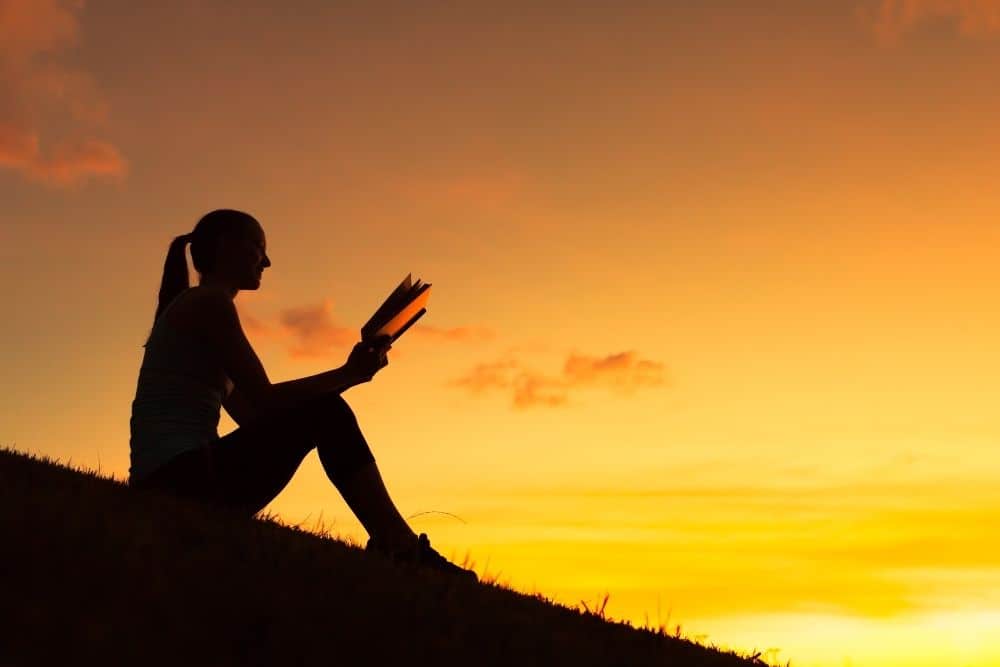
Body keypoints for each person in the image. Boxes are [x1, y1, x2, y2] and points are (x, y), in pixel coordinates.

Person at [128, 208, 475, 581]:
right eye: (259, 248)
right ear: (227, 247)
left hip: (178, 481)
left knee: (324, 411)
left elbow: (252, 415)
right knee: (327, 412)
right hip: (180, 482)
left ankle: (396, 542)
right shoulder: (210, 304)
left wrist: (349, 376)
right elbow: (265, 400)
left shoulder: (201, 308)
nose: (267, 261)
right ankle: (399, 544)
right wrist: (348, 375)